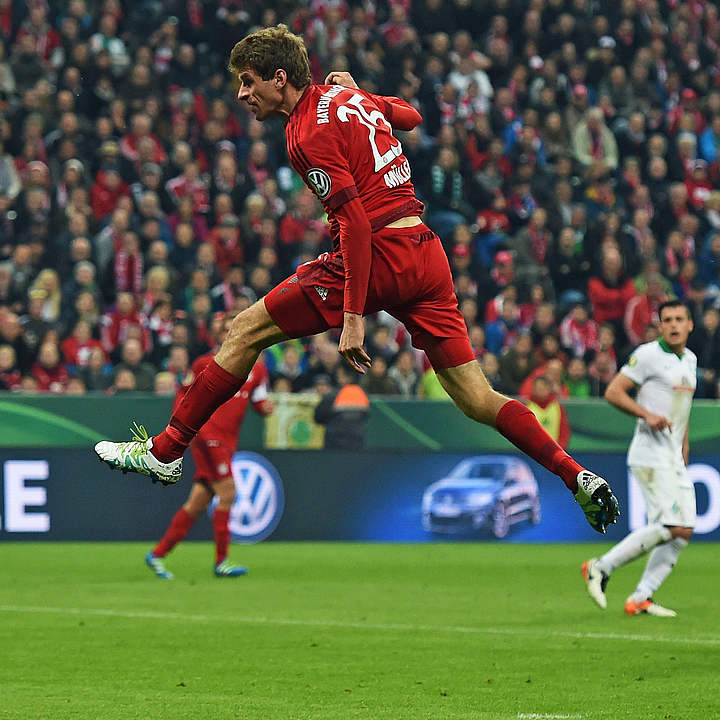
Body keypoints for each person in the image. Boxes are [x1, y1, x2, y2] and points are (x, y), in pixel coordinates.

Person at [95, 29, 619, 536]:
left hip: (380, 251)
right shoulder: (348, 99)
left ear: (281, 79)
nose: (242, 94)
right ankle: (577, 476)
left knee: (244, 330)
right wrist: (362, 93)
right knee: (479, 398)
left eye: (250, 81)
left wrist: (351, 320)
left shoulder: (305, 133)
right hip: (426, 254)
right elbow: (412, 117)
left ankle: (166, 450)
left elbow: (357, 224)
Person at [582, 301, 697, 617]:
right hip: (649, 454)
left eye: (679, 319)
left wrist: (683, 445)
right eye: (667, 320)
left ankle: (641, 598)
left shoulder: (690, 360)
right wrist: (646, 414)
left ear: (690, 325)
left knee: (684, 529)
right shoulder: (647, 355)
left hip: (671, 455)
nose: (673, 325)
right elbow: (614, 392)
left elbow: (681, 410)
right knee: (671, 524)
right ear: (660, 326)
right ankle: (600, 567)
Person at [146, 313, 273, 580]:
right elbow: (184, 397)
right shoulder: (206, 363)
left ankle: (157, 555)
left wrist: (267, 408)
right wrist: (185, 432)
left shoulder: (257, 369)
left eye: (232, 327)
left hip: (227, 441)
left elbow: (260, 403)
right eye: (224, 329)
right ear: (218, 335)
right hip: (208, 436)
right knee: (228, 494)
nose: (228, 332)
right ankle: (221, 561)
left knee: (197, 502)